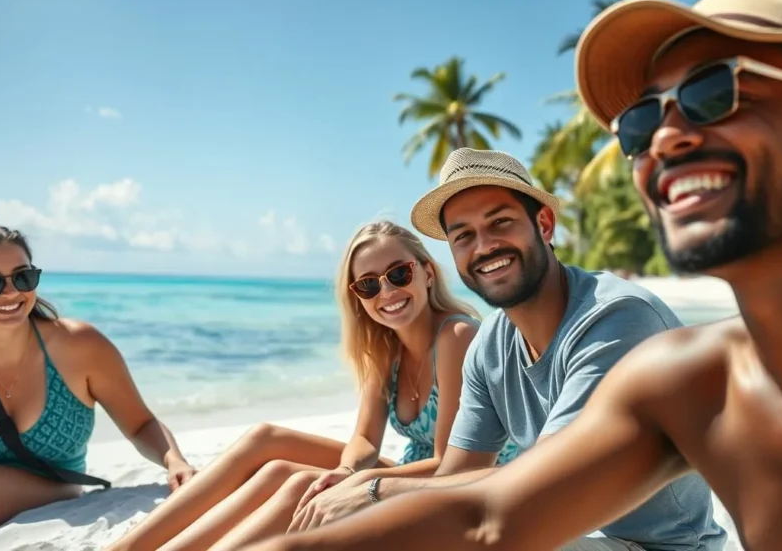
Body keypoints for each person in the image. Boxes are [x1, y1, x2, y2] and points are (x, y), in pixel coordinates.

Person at [240, 0, 782, 551]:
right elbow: (487, 516)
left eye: (712, 93)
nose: (664, 137)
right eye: (642, 120)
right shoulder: (690, 379)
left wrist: (373, 488)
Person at [278, 148, 726, 551]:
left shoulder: (615, 320)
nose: (484, 246)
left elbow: (542, 489)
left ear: (544, 224)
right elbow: (453, 478)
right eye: (463, 236)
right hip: (568, 532)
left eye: (500, 223)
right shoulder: (489, 344)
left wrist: (375, 489)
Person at [108, 219, 517, 551]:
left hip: (473, 487)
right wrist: (345, 469)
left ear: (427, 272)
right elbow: (363, 439)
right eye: (369, 284)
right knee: (267, 442)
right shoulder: (384, 347)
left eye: (398, 273)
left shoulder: (456, 337)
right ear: (357, 295)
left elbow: (452, 465)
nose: (387, 292)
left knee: (300, 482)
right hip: (417, 474)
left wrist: (355, 482)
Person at [0, 222, 195, 550]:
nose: (11, 292)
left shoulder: (80, 345)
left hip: (53, 482)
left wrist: (174, 460)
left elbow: (140, 422)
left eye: (23, 276)